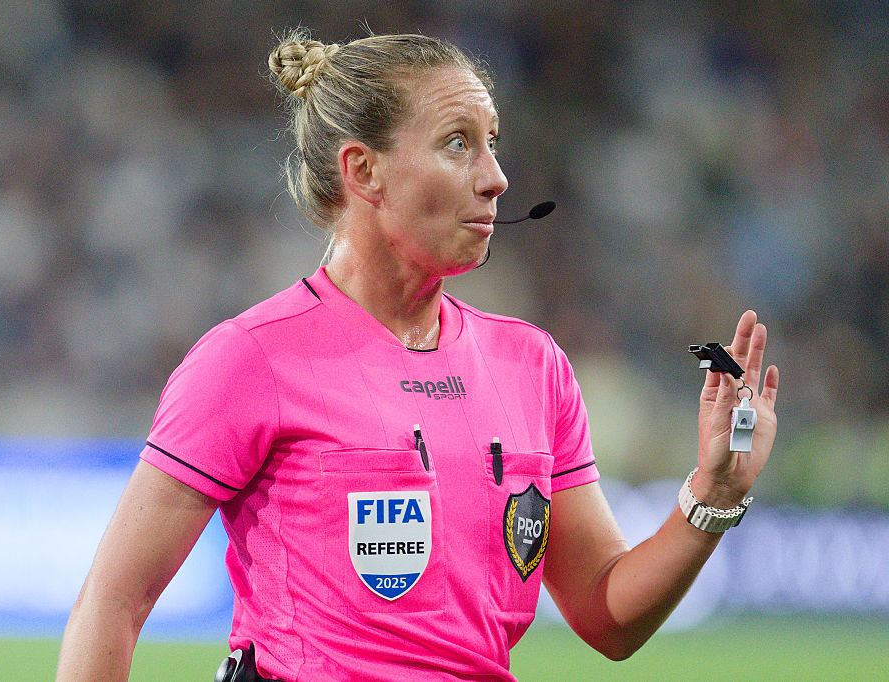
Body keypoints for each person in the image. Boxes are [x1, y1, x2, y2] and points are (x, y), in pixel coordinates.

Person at [56, 30, 779, 681]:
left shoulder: (533, 366)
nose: (496, 177)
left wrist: (713, 497)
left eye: (494, 141)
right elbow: (113, 604)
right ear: (363, 172)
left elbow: (606, 616)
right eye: (459, 142)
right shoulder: (249, 362)